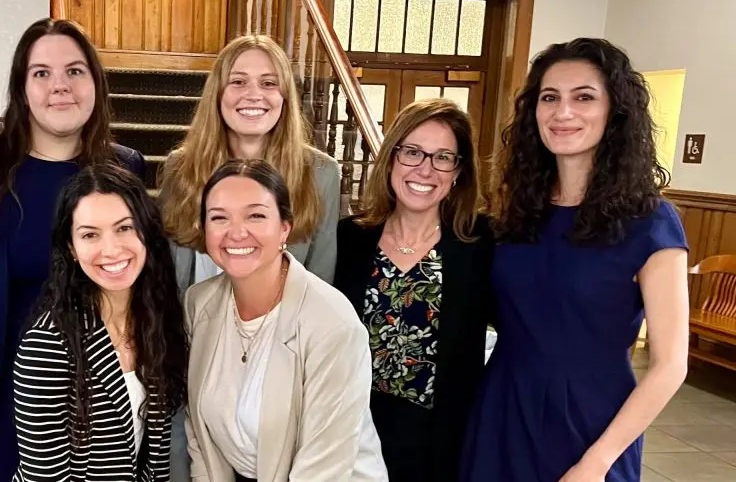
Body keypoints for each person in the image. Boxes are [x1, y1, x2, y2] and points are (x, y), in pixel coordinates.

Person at [459, 38, 690, 482]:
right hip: (503, 406)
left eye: (583, 97)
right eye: (550, 98)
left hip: (593, 418)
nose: (563, 112)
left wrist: (597, 461)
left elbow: (670, 364)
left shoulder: (650, 220)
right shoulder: (516, 212)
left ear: (615, 111)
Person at [0, 19, 146, 481]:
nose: (60, 86)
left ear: (95, 83)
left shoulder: (124, 167)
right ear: (21, 88)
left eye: (75, 71)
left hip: (93, 396)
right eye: (42, 73)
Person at [184, 159, 387, 482]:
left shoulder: (332, 324)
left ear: (285, 228)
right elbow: (200, 438)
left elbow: (322, 471)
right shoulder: (199, 303)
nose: (236, 232)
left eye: (256, 216)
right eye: (219, 217)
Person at [333, 98, 494, 481]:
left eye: (443, 157)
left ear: (458, 172)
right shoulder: (351, 239)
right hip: (356, 432)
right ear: (391, 158)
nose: (425, 169)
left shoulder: (481, 242)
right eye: (413, 152)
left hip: (440, 442)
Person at [12, 164, 187, 481]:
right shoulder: (48, 343)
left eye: (124, 228)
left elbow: (156, 459)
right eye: (90, 234)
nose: (111, 249)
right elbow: (45, 477)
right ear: (71, 249)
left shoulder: (158, 320)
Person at [158, 34, 339, 289]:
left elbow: (320, 280)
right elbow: (165, 271)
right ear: (218, 93)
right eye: (238, 81)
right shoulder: (180, 167)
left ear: (285, 96)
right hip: (190, 325)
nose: (254, 95)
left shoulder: (322, 173)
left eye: (268, 83)